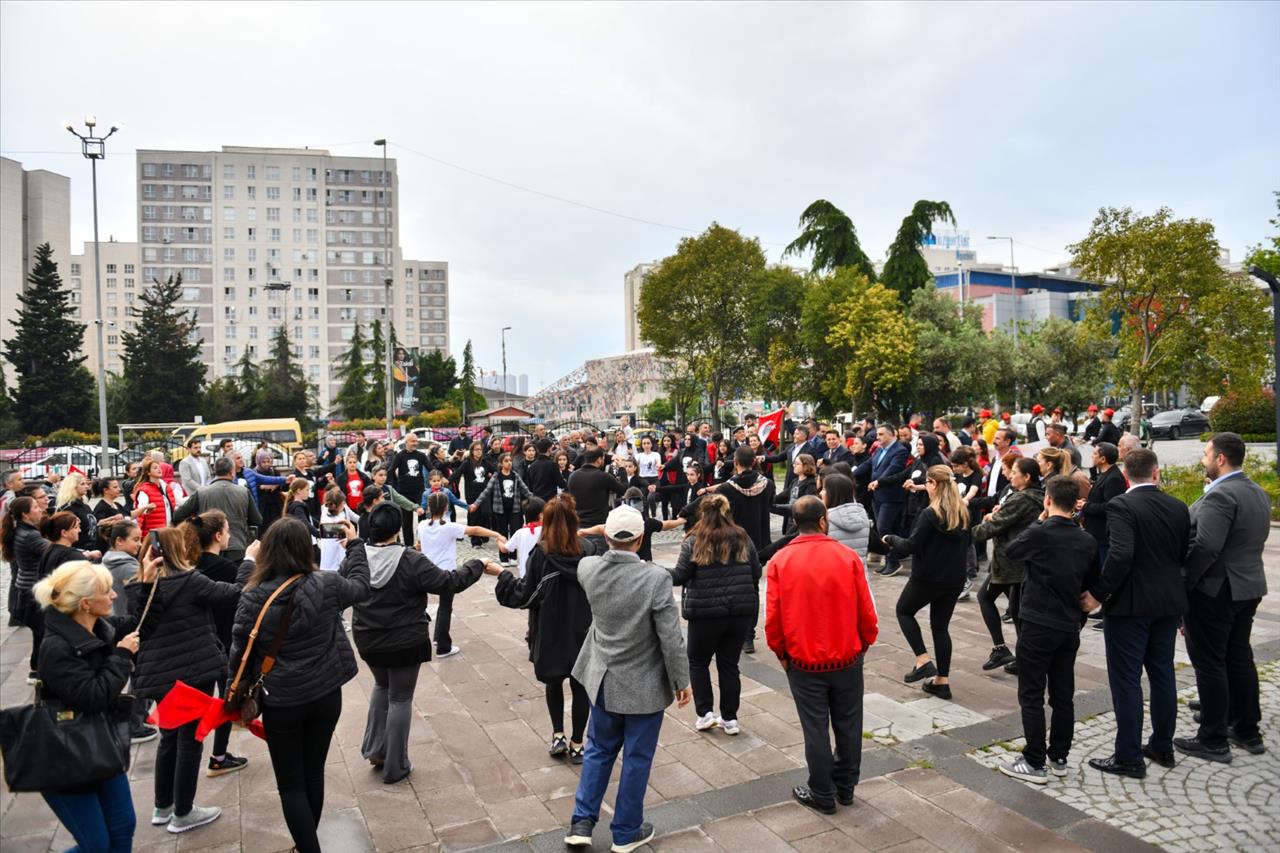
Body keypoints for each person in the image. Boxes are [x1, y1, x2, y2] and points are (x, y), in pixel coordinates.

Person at [230, 517, 369, 853]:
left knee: (291, 785)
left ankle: (307, 848)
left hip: (283, 699)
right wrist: (356, 545)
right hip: (325, 693)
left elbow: (239, 652)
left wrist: (234, 694)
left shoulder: (252, 596)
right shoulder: (327, 583)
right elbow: (362, 587)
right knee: (313, 772)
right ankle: (306, 844)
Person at [565, 506, 690, 853]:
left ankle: (581, 821)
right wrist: (681, 680)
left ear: (606, 536)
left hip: (603, 677)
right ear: (641, 539)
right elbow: (670, 637)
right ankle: (625, 831)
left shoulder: (588, 569)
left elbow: (589, 550)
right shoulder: (655, 578)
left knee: (598, 750)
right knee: (637, 757)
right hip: (644, 683)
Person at [348, 502, 497, 783]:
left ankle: (376, 750)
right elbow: (447, 582)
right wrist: (476, 564)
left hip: (368, 637)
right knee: (400, 698)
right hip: (404, 639)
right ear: (397, 529)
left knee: (381, 686)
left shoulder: (358, 558)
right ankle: (396, 765)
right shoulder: (409, 560)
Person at [126, 524, 243, 833]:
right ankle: (183, 811)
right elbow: (233, 594)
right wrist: (250, 562)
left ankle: (162, 806)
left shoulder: (141, 587)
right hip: (193, 670)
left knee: (169, 738)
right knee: (190, 742)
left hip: (159, 675)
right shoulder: (190, 582)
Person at [1080, 448, 1189, 778]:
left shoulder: (1122, 505)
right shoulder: (1178, 506)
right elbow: (1183, 553)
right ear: (1156, 473)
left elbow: (1121, 554)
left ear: (1126, 475)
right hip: (1168, 603)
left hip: (1130, 606)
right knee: (1162, 673)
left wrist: (1098, 593)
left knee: (1126, 680)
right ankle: (1162, 745)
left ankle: (1129, 756)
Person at [766, 496, 877, 815]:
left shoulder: (781, 561)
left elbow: (773, 617)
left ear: (794, 524)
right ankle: (845, 786)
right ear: (824, 520)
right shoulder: (847, 557)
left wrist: (781, 652)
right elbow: (866, 610)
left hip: (803, 659)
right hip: (846, 656)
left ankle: (822, 791)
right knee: (849, 723)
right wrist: (864, 643)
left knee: (815, 727)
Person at [32, 560, 143, 853]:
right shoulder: (56, 647)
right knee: (96, 845)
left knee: (122, 828)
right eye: (107, 591)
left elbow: (136, 623)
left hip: (100, 744)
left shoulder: (97, 626)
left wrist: (143, 581)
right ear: (84, 604)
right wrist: (121, 657)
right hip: (66, 756)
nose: (113, 596)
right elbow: (93, 696)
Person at [996, 475, 1099, 784]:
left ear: (1048, 500)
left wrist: (1037, 523)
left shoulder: (1040, 533)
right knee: (1062, 693)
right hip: (1068, 624)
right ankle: (1059, 755)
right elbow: (1094, 580)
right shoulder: (1086, 539)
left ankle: (1034, 760)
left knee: (1031, 693)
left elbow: (1011, 551)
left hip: (1038, 622)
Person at [1177, 432, 1271, 760]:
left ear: (1220, 459)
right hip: (1249, 585)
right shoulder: (1257, 491)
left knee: (1210, 662)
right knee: (1238, 656)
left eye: (1206, 455)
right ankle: (1246, 728)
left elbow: (1206, 546)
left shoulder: (1221, 496)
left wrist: (1185, 581)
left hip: (1217, 589)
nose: (1203, 461)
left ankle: (1213, 738)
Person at [496, 495, 601, 764]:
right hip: (583, 625)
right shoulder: (589, 549)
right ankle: (578, 742)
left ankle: (558, 734)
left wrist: (503, 576)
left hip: (550, 626)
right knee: (580, 686)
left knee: (554, 682)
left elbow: (526, 595)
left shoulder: (542, 553)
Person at [669, 493, 760, 736]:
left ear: (702, 514)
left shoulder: (694, 540)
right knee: (729, 665)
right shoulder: (742, 536)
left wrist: (653, 573)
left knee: (698, 662)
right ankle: (730, 718)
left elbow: (679, 575)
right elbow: (756, 571)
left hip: (705, 613)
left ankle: (705, 713)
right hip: (739, 612)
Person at [883, 465, 970, 700]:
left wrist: (890, 538)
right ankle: (942, 681)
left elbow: (911, 545)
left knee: (904, 611)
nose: (926, 487)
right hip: (953, 579)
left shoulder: (930, 514)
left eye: (928, 483)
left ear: (933, 485)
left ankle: (922, 660)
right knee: (940, 627)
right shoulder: (961, 511)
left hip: (929, 577)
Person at [180, 509, 251, 777]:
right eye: (227, 530)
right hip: (223, 640)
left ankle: (213, 753)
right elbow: (242, 597)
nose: (230, 534)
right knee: (225, 700)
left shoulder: (191, 565)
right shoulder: (226, 568)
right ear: (218, 536)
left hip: (200, 642)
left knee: (205, 701)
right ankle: (218, 756)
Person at [972, 457, 1044, 676]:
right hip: (1017, 561)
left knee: (990, 599)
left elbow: (994, 526)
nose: (1010, 475)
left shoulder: (1022, 499)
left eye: (1014, 472)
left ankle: (1009, 652)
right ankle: (1018, 655)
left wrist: (963, 535)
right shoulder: (1036, 496)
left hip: (1012, 562)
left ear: (1027, 477)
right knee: (1017, 610)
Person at [418, 491, 506, 657]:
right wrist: (496, 534)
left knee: (424, 605)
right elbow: (475, 529)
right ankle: (443, 647)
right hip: (445, 574)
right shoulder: (449, 527)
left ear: (429, 508)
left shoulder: (422, 526)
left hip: (425, 572)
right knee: (445, 607)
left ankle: (437, 637)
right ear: (446, 508)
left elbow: (420, 545)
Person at [172, 456, 262, 564]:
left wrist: (197, 525)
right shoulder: (243, 492)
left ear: (215, 471)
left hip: (209, 548)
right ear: (232, 472)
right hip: (237, 548)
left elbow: (178, 516)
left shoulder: (202, 492)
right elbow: (257, 520)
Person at [852, 424, 910, 577]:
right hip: (877, 496)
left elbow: (892, 470)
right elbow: (868, 464)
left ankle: (893, 562)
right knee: (887, 529)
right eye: (878, 434)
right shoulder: (878, 450)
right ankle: (893, 559)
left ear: (892, 435)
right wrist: (848, 475)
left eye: (881, 434)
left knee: (884, 528)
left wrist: (878, 481)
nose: (878, 437)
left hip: (891, 497)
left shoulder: (900, 451)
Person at [3, 495, 49, 681]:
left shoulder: (23, 530)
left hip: (28, 588)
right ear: (25, 514)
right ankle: (39, 672)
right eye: (36, 507)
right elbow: (54, 550)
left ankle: (37, 670)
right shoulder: (29, 535)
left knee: (41, 634)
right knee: (43, 633)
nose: (40, 509)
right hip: (33, 590)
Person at [1079, 443, 1125, 564]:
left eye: (1095, 454)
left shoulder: (1113, 478)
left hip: (1102, 535)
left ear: (1103, 459)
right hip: (1096, 533)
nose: (1091, 456)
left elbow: (1110, 506)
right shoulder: (1105, 474)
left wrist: (1085, 506)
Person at [566, 447, 628, 527]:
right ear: (599, 460)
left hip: (577, 525)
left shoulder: (572, 476)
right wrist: (622, 469)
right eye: (603, 458)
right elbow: (623, 489)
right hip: (598, 525)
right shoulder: (603, 476)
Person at [132, 459, 184, 537]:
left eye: (159, 467)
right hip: (152, 534)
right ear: (148, 472)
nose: (159, 469)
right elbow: (141, 512)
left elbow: (176, 504)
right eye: (155, 468)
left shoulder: (167, 487)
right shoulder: (144, 490)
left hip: (168, 530)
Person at [55, 472, 101, 552]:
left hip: (93, 550)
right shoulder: (67, 508)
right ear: (72, 487)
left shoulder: (85, 506)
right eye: (82, 484)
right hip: (78, 552)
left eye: (86, 484)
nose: (87, 487)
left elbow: (91, 526)